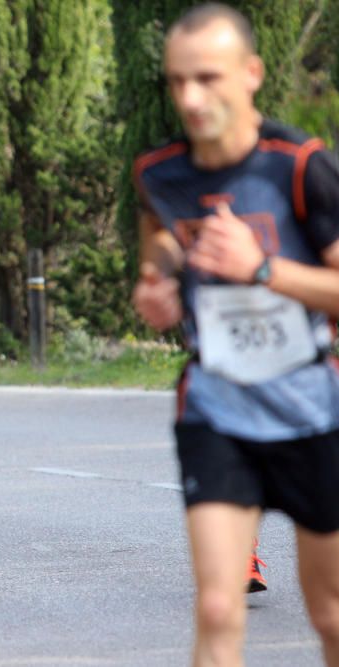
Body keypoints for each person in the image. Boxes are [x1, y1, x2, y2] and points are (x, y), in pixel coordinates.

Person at [132, 4, 339, 664]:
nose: (190, 98)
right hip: (217, 405)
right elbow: (160, 241)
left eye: (208, 78)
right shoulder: (159, 173)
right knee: (219, 606)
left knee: (331, 613)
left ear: (251, 74)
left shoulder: (300, 166)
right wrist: (156, 283)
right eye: (177, 81)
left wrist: (262, 269)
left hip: (312, 408)